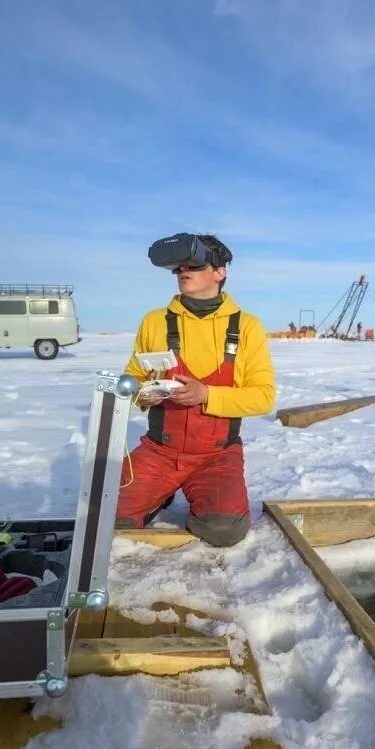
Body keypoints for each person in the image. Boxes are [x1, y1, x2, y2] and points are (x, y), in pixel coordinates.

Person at [116, 234, 276, 547]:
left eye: (194, 265)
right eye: (178, 268)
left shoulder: (247, 327)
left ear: (220, 272)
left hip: (217, 455)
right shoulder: (154, 321)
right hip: (160, 451)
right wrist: (141, 394)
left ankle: (196, 492)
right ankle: (159, 493)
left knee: (224, 530)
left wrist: (207, 395)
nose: (183, 272)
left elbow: (264, 396)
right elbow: (131, 377)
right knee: (108, 516)